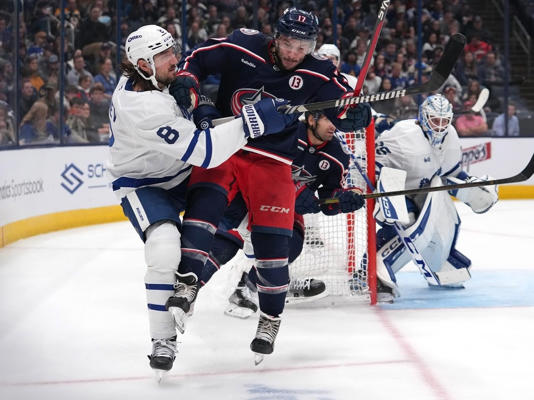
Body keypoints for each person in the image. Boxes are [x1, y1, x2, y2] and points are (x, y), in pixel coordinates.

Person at [167, 7, 371, 362]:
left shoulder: (318, 70)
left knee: (275, 249)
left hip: (274, 162)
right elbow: (198, 58)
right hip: (228, 144)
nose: (294, 53)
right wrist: (187, 78)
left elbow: (341, 105)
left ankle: (270, 319)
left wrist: (355, 112)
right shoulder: (244, 46)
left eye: (302, 46)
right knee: (206, 212)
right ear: (276, 37)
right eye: (289, 43)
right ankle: (187, 282)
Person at [106, 24, 296, 378]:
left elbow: (193, 95)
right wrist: (253, 122)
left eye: (172, 51)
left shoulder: (148, 79)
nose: (174, 60)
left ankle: (264, 275)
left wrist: (199, 99)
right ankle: (163, 340)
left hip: (180, 172)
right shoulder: (142, 107)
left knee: (261, 232)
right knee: (163, 247)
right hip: (146, 184)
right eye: (164, 56)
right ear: (144, 64)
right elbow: (205, 152)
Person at [204, 111, 366, 318]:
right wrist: (294, 188)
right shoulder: (285, 131)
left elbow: (329, 199)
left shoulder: (337, 154)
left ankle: (248, 288)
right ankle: (188, 284)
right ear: (311, 119)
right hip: (252, 194)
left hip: (284, 209)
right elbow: (253, 162)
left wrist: (343, 199)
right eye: (328, 119)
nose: (334, 125)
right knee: (225, 244)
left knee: (292, 244)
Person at [373, 94, 498, 302]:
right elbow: (375, 160)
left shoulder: (450, 135)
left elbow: (452, 174)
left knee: (446, 218)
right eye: (434, 120)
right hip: (395, 188)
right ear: (423, 117)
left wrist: (474, 186)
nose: (440, 126)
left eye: (444, 121)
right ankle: (374, 271)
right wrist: (381, 193)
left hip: (423, 191)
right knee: (407, 223)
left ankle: (439, 261)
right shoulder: (403, 134)